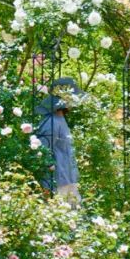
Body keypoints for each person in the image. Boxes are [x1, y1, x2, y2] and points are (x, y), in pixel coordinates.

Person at [35, 77, 82, 208]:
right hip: (58, 180)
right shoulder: (52, 122)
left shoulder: (60, 119)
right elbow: (43, 151)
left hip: (67, 178)